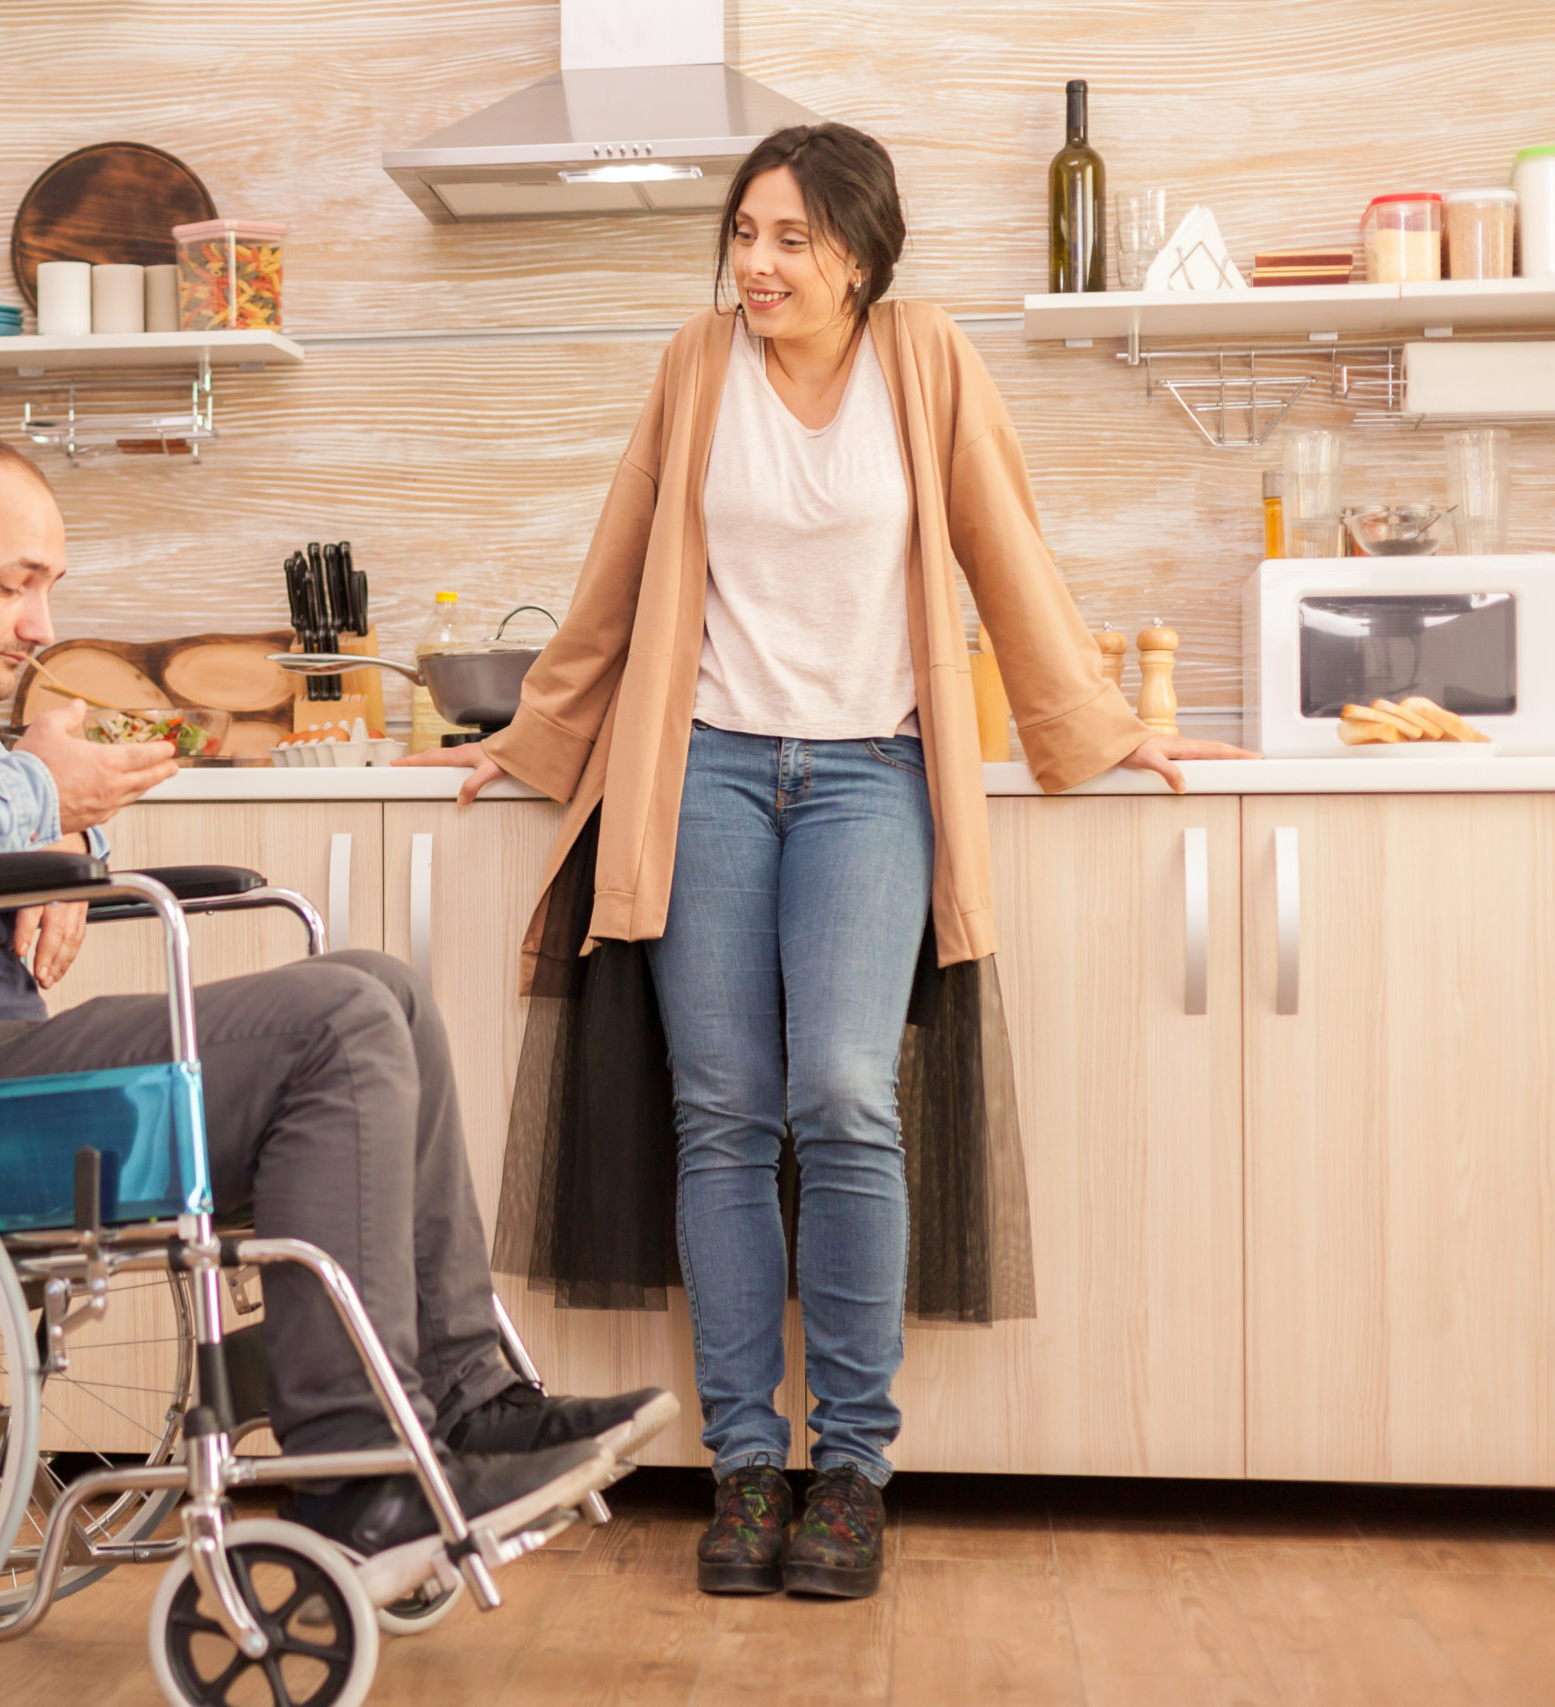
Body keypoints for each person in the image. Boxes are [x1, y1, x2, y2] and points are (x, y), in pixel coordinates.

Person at [402, 125, 1253, 1599]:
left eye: (792, 238)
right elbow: (613, 573)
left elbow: (1005, 551)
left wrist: (1102, 726)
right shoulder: (694, 366)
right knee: (722, 1110)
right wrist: (533, 738)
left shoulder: (924, 361)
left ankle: (851, 1466)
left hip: (871, 774)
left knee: (846, 1097)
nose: (759, 262)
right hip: (710, 768)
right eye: (744, 234)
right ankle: (746, 1463)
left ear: (860, 250)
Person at [0, 426, 672, 1563]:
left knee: (380, 987)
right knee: (336, 1023)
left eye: (46, 586)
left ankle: (469, 1408)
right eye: (14, 584)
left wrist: (50, 846)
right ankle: (352, 1467)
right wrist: (32, 797)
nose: (42, 625)